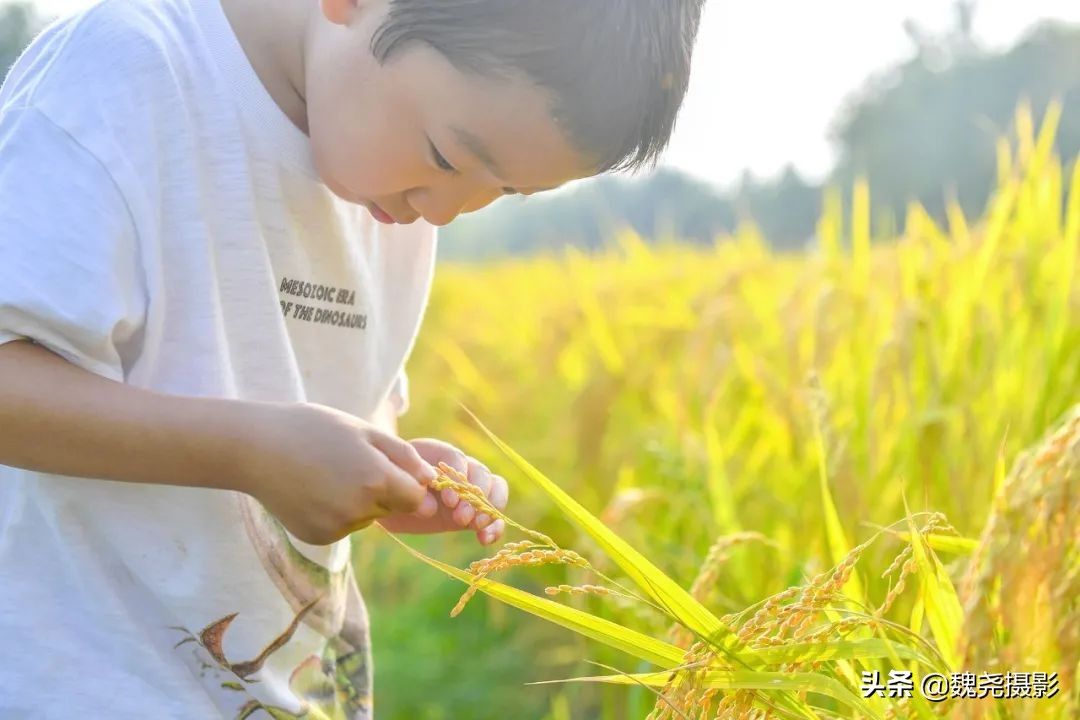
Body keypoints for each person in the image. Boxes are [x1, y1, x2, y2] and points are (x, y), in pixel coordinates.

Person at [0, 0, 704, 716]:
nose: (448, 211)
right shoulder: (128, 77)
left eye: (506, 191)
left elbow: (331, 401)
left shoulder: (389, 195)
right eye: (449, 155)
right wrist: (249, 451)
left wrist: (391, 469)